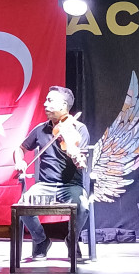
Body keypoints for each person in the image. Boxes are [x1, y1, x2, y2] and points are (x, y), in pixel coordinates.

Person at [13, 86, 90, 260]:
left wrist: (75, 153)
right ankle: (41, 240)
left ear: (63, 105)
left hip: (70, 186)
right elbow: (20, 148)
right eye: (46, 100)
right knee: (22, 204)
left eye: (50, 101)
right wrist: (20, 161)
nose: (45, 104)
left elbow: (81, 156)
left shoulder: (79, 128)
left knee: (83, 207)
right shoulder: (40, 129)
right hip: (44, 185)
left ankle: (72, 239)